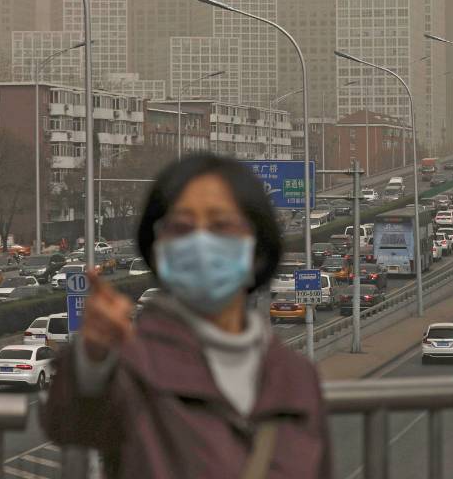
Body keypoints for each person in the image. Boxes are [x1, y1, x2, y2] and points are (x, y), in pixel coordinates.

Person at [42, 154, 331, 479]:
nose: (201, 243)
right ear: (157, 249)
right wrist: (94, 355)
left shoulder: (297, 378)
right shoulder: (132, 371)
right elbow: (71, 423)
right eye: (181, 228)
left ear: (257, 246)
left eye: (221, 226)